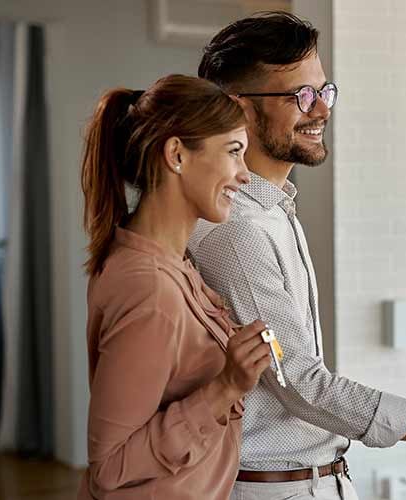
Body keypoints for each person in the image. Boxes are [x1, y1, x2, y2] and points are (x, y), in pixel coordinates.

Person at [188, 12, 406, 500]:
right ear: (238, 109)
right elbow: (301, 383)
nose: (322, 111)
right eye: (301, 95)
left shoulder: (274, 210)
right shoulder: (237, 232)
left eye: (324, 92)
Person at [78, 74, 273, 499]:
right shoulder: (150, 288)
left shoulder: (165, 265)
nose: (245, 175)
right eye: (234, 152)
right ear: (177, 155)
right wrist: (226, 387)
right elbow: (111, 466)